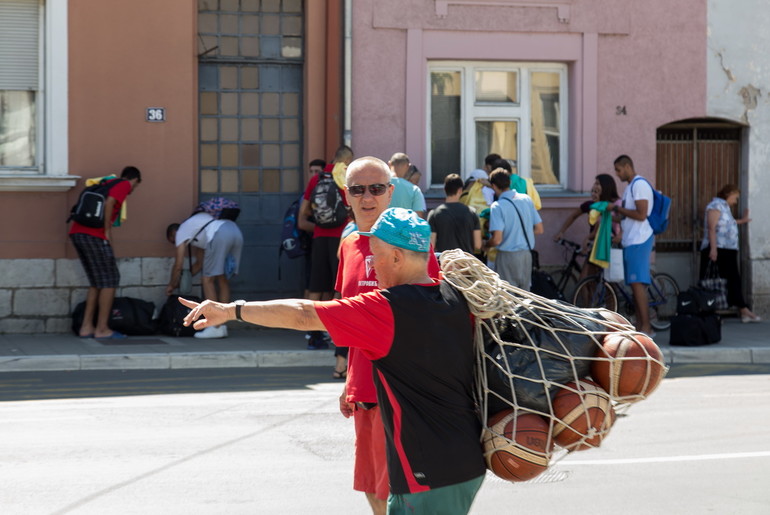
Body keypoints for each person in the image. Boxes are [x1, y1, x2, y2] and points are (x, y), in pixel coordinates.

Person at [180, 208, 486, 514]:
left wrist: (231, 310)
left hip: (427, 474)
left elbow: (304, 314)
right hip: (466, 461)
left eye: (376, 256)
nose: (372, 266)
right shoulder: (455, 296)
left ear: (396, 258)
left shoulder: (388, 309)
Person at [337, 158, 442, 514]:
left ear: (391, 193)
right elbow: (347, 317)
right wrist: (347, 382)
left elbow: (436, 318)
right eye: (358, 190)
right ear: (346, 195)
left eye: (377, 188)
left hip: (404, 389)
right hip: (363, 386)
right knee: (371, 485)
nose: (368, 198)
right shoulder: (348, 245)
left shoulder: (415, 246)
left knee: (403, 489)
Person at [69, 166, 142, 339]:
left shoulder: (106, 182)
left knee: (97, 282)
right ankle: (102, 329)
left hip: (77, 233)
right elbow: (109, 202)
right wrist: (107, 231)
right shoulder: (124, 184)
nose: (132, 190)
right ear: (135, 180)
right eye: (136, 186)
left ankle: (86, 327)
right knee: (110, 280)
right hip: (95, 235)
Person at [298, 145, 353, 350]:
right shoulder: (344, 179)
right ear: (346, 161)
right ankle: (335, 333)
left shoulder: (317, 179)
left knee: (316, 287)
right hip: (341, 239)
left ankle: (313, 334)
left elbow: (303, 213)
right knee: (337, 287)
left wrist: (319, 227)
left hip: (319, 238)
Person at [165, 203, 243, 339]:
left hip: (219, 234)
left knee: (207, 280)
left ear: (173, 234)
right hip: (235, 231)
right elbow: (200, 264)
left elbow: (178, 265)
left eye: (173, 242)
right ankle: (222, 325)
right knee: (222, 279)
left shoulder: (182, 231)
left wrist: (171, 284)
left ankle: (215, 326)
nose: (176, 244)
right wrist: (183, 282)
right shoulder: (198, 230)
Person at [699, 184, 761, 323]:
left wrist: (743, 221)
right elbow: (711, 228)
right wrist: (713, 249)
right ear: (729, 194)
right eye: (735, 197)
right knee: (714, 282)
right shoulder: (715, 206)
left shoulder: (725, 207)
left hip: (728, 249)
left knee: (731, 279)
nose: (736, 201)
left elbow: (728, 224)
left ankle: (741, 309)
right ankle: (714, 311)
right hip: (719, 249)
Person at [612, 154, 655, 337]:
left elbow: (641, 214)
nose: (617, 174)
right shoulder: (631, 187)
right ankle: (640, 326)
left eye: (618, 170)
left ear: (628, 166)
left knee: (638, 285)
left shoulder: (639, 185)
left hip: (639, 239)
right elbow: (629, 214)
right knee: (634, 286)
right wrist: (611, 215)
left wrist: (617, 209)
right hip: (631, 240)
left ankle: (646, 328)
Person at [484, 169, 543, 289]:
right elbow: (539, 229)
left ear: (494, 186)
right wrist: (520, 234)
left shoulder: (497, 206)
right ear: (509, 182)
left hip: (507, 257)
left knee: (508, 299)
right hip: (526, 255)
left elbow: (497, 240)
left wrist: (486, 245)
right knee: (524, 299)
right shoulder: (526, 199)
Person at [553, 174, 622, 278]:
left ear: (606, 186)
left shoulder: (616, 204)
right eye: (594, 185)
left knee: (602, 279)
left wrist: (620, 235)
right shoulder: (591, 205)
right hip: (595, 245)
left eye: (598, 184)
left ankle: (610, 294)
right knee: (587, 279)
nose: (595, 187)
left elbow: (624, 221)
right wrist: (561, 231)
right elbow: (573, 216)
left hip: (609, 245)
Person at [428, 173, 482, 254]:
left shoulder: (434, 214)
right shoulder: (472, 213)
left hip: (445, 262)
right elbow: (478, 245)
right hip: (466, 262)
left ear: (445, 189)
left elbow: (431, 245)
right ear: (460, 190)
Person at [387, 152, 427, 218]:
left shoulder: (379, 184)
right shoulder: (414, 190)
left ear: (389, 163)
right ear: (408, 166)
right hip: (405, 228)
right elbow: (418, 218)